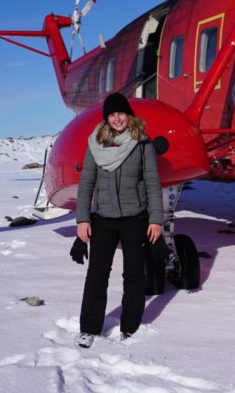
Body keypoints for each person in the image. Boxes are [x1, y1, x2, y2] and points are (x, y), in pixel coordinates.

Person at [70, 92, 164, 349]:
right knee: (97, 275)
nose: (117, 118)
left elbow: (154, 184)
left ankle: (129, 328)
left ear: (128, 115)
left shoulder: (141, 143)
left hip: (136, 218)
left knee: (134, 274)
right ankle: (89, 328)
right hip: (103, 220)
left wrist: (156, 219)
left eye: (121, 113)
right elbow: (86, 183)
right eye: (112, 114)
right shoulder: (96, 145)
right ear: (107, 118)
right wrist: (82, 219)